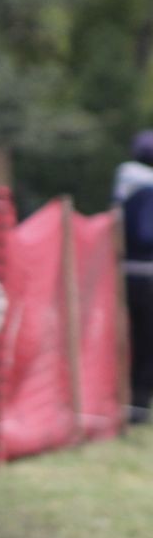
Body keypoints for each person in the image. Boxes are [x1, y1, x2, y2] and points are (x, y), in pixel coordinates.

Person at [114, 129, 153, 423]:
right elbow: (145, 233)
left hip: (127, 274)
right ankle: (139, 405)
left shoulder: (125, 184)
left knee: (137, 341)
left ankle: (136, 404)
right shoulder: (144, 188)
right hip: (145, 276)